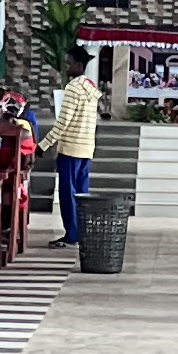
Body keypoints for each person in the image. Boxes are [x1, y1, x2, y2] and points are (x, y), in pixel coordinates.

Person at [46, 46, 100, 249]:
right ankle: (82, 231)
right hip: (86, 147)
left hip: (70, 148)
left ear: (78, 65)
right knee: (82, 193)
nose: (66, 66)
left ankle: (71, 234)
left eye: (69, 63)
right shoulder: (91, 87)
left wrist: (44, 144)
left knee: (67, 194)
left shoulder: (73, 88)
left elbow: (64, 121)